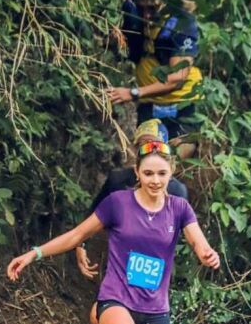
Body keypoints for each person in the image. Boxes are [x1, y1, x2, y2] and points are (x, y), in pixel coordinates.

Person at [7, 141, 220, 324]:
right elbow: (75, 235)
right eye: (148, 174)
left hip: (156, 310)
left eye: (161, 173)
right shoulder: (118, 203)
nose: (154, 180)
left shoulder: (179, 208)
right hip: (115, 299)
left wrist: (207, 255)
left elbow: (198, 242)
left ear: (171, 173)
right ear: (137, 172)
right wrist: (34, 253)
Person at [74, 119, 187, 280]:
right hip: (120, 257)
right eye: (144, 145)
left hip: (154, 264)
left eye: (156, 146)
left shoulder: (177, 191)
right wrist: (81, 244)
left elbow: (184, 233)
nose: (151, 152)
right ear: (136, 151)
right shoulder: (118, 180)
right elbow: (94, 214)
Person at [108, 0, 203, 160]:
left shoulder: (181, 23)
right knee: (147, 157)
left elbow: (177, 79)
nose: (146, 15)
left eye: (152, 8)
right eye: (142, 8)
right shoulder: (131, 11)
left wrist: (133, 93)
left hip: (181, 104)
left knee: (174, 162)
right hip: (150, 104)